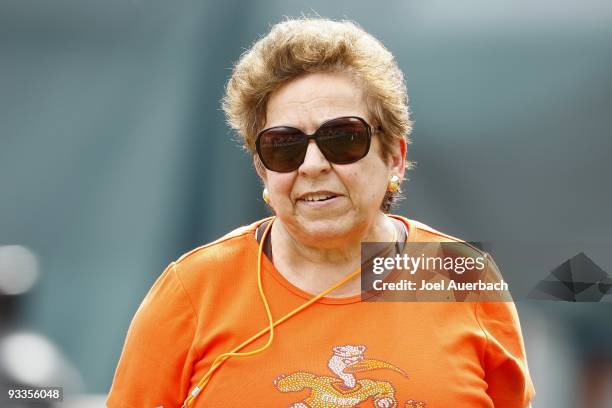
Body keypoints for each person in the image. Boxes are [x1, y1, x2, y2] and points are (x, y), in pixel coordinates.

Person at [107, 18, 535, 407]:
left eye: (343, 138)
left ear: (396, 159)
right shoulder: (194, 292)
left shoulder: (460, 276)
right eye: (284, 145)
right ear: (262, 169)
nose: (313, 165)